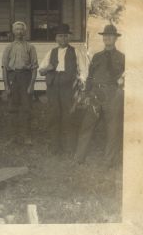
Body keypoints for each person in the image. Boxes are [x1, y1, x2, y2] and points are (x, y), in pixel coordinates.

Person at [74, 25, 125, 168]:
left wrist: (122, 82)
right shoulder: (97, 57)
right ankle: (79, 158)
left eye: (110, 36)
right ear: (103, 38)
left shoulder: (122, 58)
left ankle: (109, 162)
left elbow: (127, 77)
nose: (107, 38)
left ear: (115, 38)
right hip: (96, 95)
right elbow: (90, 77)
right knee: (87, 126)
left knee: (113, 129)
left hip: (113, 95)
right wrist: (87, 94)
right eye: (105, 36)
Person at [38, 24, 88, 156]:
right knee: (54, 116)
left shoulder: (76, 52)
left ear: (69, 37)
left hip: (69, 89)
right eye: (60, 36)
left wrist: (81, 84)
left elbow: (84, 71)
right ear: (56, 38)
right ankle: (55, 147)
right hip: (53, 89)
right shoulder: (51, 52)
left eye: (65, 36)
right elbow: (41, 71)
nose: (63, 39)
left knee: (70, 116)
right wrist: (47, 69)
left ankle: (70, 148)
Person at [1, 21, 38, 145]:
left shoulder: (30, 47)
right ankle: (13, 136)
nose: (19, 32)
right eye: (17, 29)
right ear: (13, 31)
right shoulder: (8, 47)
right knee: (12, 108)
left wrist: (31, 85)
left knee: (27, 108)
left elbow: (34, 67)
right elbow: (4, 68)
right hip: (13, 77)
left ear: (25, 31)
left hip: (25, 77)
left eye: (21, 29)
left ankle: (27, 136)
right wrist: (6, 86)